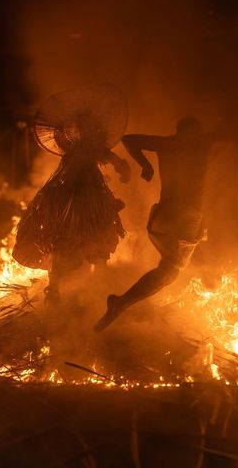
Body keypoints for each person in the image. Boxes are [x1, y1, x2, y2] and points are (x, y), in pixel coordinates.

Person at [95, 116, 213, 331]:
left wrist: (145, 165)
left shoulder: (167, 143)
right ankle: (121, 303)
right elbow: (232, 135)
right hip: (185, 215)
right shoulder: (202, 144)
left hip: (161, 217)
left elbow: (129, 139)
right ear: (196, 131)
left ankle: (208, 277)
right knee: (171, 268)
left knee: (182, 251)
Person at [13, 108, 130, 304]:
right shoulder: (87, 149)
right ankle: (72, 290)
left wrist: (121, 168)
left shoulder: (80, 148)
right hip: (79, 201)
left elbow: (111, 160)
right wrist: (122, 169)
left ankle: (85, 289)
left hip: (78, 200)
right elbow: (112, 161)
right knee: (78, 243)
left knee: (74, 243)